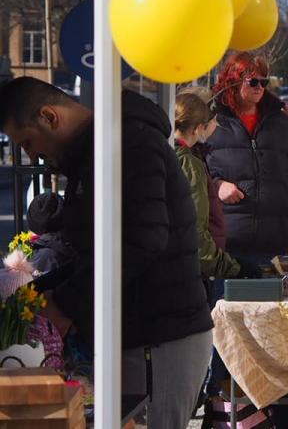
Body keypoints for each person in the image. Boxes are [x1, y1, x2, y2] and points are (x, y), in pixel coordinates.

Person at [0, 78, 213, 428]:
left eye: (26, 141)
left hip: (157, 339)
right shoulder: (100, 152)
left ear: (50, 117)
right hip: (143, 336)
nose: (31, 155)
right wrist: (37, 292)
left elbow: (140, 241)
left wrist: (65, 304)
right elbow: (94, 250)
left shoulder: (128, 145)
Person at [206, 53, 288, 261]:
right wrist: (217, 186)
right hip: (228, 243)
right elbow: (197, 169)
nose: (259, 87)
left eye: (263, 82)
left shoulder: (279, 122)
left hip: (276, 242)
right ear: (234, 81)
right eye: (253, 81)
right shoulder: (213, 121)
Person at [174, 91, 258, 291]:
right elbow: (196, 230)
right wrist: (233, 268)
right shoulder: (189, 163)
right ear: (197, 128)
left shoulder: (164, 153)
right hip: (185, 273)